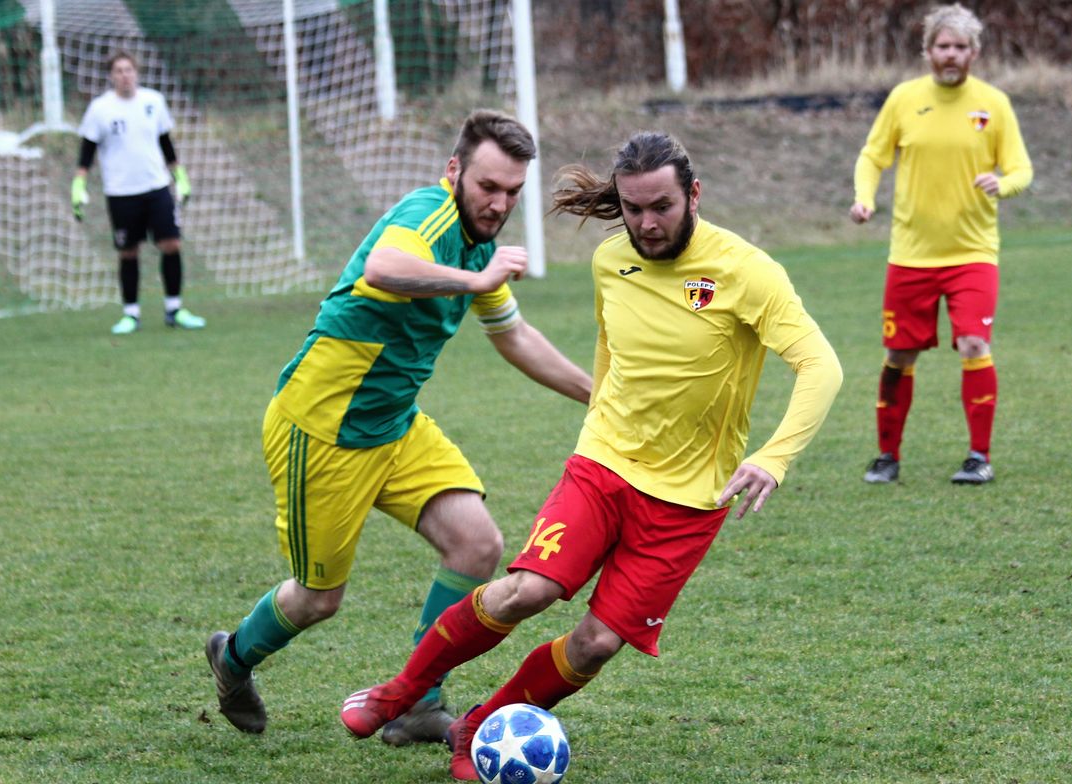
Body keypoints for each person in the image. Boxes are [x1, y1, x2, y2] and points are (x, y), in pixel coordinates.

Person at [338, 131, 843, 781]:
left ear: (693, 195)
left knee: (597, 643)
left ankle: (479, 726)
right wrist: (600, 413)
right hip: (602, 466)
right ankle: (400, 691)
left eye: (660, 206)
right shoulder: (611, 261)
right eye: (632, 209)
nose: (646, 223)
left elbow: (819, 366)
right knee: (528, 590)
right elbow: (613, 354)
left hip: (689, 500)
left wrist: (772, 457)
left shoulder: (747, 272)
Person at [203, 110, 592, 744]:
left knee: (477, 545)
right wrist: (475, 278)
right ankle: (234, 657)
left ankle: (418, 702)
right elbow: (383, 269)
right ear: (454, 172)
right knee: (317, 599)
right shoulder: (427, 215)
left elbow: (514, 335)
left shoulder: (479, 245)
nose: (498, 204)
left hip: (394, 426)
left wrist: (596, 397)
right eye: (488, 187)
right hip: (323, 430)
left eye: (512, 192)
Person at [850, 3, 1033, 485]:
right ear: (928, 50)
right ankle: (887, 456)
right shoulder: (904, 99)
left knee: (974, 342)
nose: (950, 55)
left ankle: (979, 456)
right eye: (942, 46)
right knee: (899, 356)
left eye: (959, 47)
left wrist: (1004, 183)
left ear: (974, 52)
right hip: (910, 256)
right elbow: (872, 156)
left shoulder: (993, 104)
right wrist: (864, 199)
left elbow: (1021, 168)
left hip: (973, 254)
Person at [73, 51, 205, 335]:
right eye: (119, 71)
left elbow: (165, 142)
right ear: (111, 76)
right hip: (121, 192)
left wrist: (179, 176)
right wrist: (78, 185)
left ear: (137, 73)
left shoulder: (153, 102)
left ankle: (174, 308)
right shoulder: (100, 109)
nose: (125, 75)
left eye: (129, 70)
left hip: (156, 187)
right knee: (128, 251)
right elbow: (87, 151)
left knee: (171, 244)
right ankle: (131, 314)